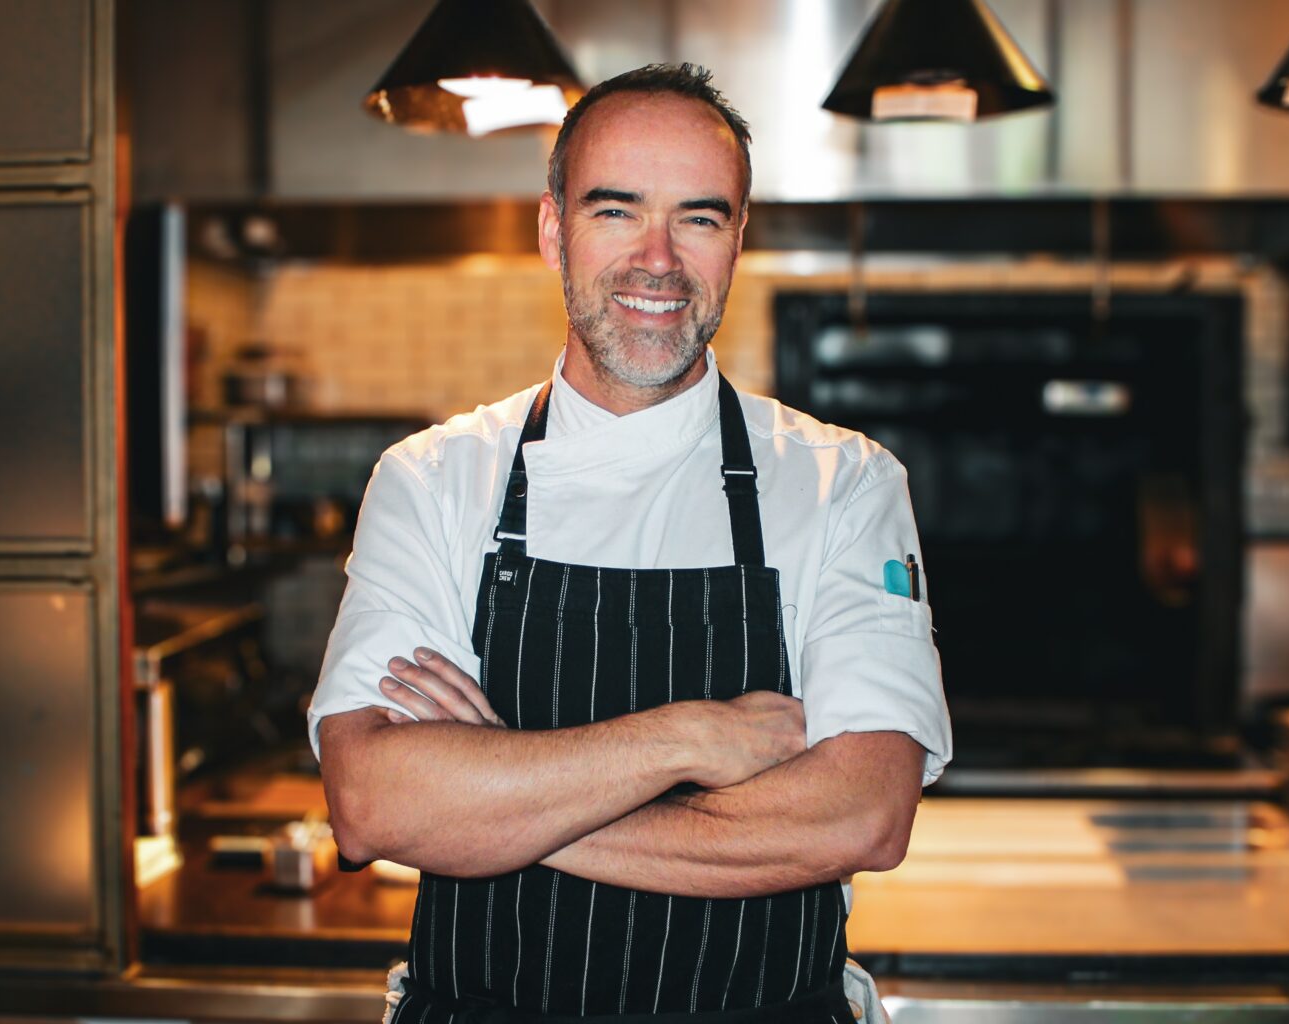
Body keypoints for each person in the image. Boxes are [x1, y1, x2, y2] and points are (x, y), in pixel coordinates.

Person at [308, 63, 951, 1023]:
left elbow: (863, 815)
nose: (659, 259)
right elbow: (370, 804)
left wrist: (496, 793)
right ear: (552, 230)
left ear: (739, 239)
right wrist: (693, 736)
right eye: (616, 211)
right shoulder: (434, 481)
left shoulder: (843, 485)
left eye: (699, 217)